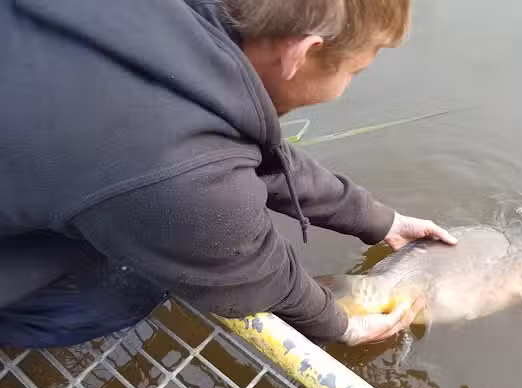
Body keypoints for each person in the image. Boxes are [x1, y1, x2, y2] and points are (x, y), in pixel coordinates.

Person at [0, 0, 457, 349]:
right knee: (135, 285)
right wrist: (342, 325)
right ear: (302, 52)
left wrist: (380, 220)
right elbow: (250, 274)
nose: (345, 87)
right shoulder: (175, 171)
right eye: (354, 71)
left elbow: (246, 156)